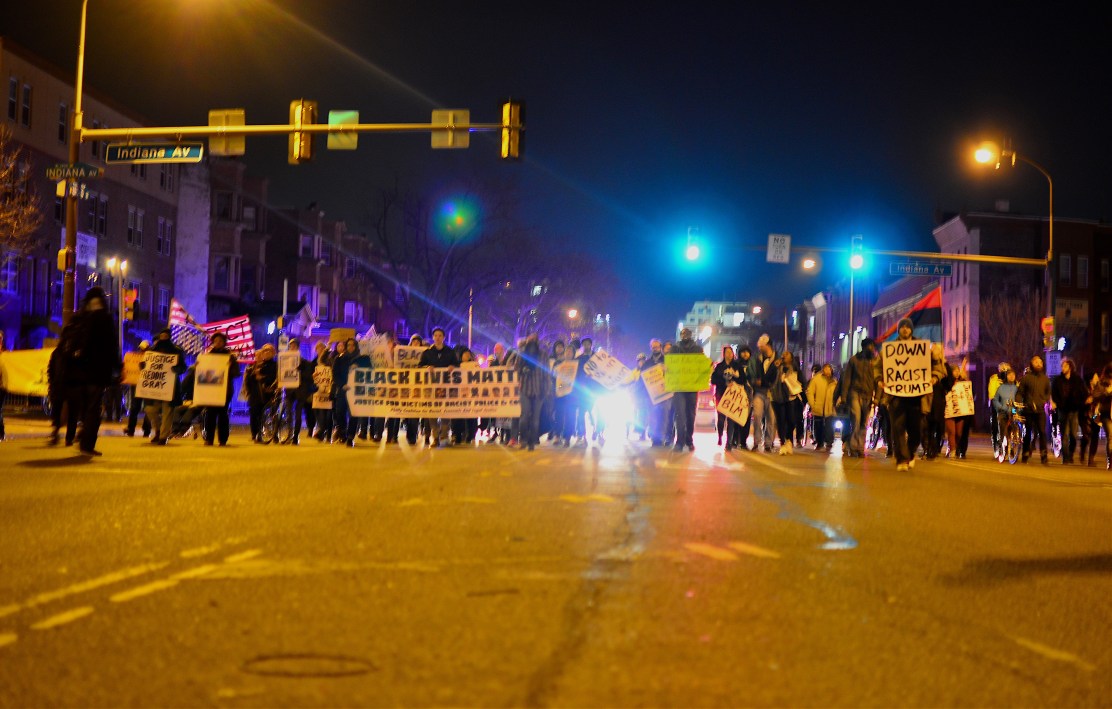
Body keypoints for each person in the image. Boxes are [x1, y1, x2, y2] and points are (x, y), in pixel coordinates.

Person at [60, 287, 121, 456]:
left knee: (84, 406)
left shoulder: (80, 318)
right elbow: (111, 346)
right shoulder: (105, 319)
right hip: (97, 372)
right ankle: (87, 442)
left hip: (78, 372)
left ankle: (81, 432)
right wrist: (117, 367)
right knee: (94, 408)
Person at [880, 320, 922, 472]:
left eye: (907, 327)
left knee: (916, 430)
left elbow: (934, 367)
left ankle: (910, 453)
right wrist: (879, 380)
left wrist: (934, 377)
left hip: (916, 395)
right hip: (895, 395)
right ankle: (901, 459)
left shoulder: (921, 348)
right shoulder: (889, 349)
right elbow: (879, 366)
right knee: (898, 428)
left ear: (911, 329)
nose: (905, 329)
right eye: (902, 327)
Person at [142, 328, 186, 445]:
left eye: (166, 335)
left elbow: (183, 367)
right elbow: (145, 365)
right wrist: (142, 365)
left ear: (169, 337)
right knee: (150, 409)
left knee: (168, 412)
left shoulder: (176, 350)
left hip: (169, 387)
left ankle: (163, 436)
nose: (164, 337)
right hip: (154, 387)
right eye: (162, 335)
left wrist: (176, 369)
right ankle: (157, 430)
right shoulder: (152, 351)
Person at [418, 327, 460, 447]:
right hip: (431, 389)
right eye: (435, 335)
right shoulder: (427, 353)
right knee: (432, 414)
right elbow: (419, 366)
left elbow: (457, 365)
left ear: (444, 338)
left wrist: (453, 366)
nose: (437, 337)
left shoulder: (450, 352)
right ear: (433, 337)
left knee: (446, 413)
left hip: (447, 388)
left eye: (440, 335)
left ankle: (444, 435)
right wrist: (426, 368)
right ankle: (435, 437)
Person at [839, 337, 878, 458]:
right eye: (869, 346)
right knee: (856, 420)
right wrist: (844, 396)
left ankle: (860, 448)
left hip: (868, 395)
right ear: (864, 347)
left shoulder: (875, 362)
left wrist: (877, 397)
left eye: (872, 346)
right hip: (855, 393)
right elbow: (847, 379)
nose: (871, 348)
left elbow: (878, 380)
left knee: (863, 423)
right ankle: (853, 446)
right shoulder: (854, 360)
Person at [201, 332, 239, 446]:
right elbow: (202, 372)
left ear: (224, 343)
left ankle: (223, 439)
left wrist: (228, 368)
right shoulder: (207, 356)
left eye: (220, 341)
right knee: (210, 415)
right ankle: (209, 439)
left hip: (225, 390)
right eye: (216, 341)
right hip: (211, 389)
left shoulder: (230, 357)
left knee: (223, 415)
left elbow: (236, 373)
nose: (218, 343)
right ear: (213, 342)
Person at [1051, 357, 1089, 465]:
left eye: (1065, 366)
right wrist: (1058, 403)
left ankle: (1071, 453)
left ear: (1070, 367)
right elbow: (1054, 393)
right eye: (1062, 366)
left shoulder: (1077, 380)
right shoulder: (1058, 380)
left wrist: (1080, 402)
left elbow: (1083, 393)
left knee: (1073, 435)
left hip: (1074, 410)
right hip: (1063, 410)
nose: (1062, 368)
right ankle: (1066, 457)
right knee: (1065, 434)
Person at [670, 328, 703, 452]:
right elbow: (670, 365)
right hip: (679, 387)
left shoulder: (698, 349)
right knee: (680, 415)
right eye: (683, 333)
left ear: (691, 335)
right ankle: (679, 442)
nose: (685, 335)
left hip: (692, 387)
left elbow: (701, 366)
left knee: (690, 414)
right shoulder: (675, 349)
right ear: (680, 335)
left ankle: (689, 440)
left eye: (687, 333)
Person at [1016, 353, 1051, 464]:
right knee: (1028, 432)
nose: (1038, 364)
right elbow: (1020, 393)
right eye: (1036, 362)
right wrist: (1019, 401)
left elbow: (1047, 393)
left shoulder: (1045, 379)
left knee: (1042, 432)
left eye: (1040, 362)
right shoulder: (1026, 378)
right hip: (1028, 409)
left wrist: (1043, 401)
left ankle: (1044, 454)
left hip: (1040, 410)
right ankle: (1025, 452)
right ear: (1032, 364)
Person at [747, 334, 778, 452]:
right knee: (757, 417)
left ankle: (768, 443)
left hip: (772, 393)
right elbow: (750, 374)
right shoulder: (756, 359)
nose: (759, 348)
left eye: (761, 346)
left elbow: (777, 378)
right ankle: (757, 441)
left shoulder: (777, 360)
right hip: (759, 392)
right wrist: (754, 382)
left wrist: (763, 381)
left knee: (771, 419)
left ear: (767, 345)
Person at [516, 334, 547, 451]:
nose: (532, 341)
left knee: (535, 420)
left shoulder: (543, 355)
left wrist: (547, 388)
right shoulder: (522, 354)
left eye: (535, 339)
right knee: (524, 417)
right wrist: (523, 370)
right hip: (525, 389)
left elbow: (546, 373)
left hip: (539, 390)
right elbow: (516, 369)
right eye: (530, 339)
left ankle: (531, 442)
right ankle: (523, 439)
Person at [282, 338, 315, 445]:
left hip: (300, 392)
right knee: (288, 414)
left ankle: (295, 437)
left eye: (294, 346)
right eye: (291, 346)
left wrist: (299, 370)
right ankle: (289, 435)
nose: (292, 348)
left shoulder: (305, 363)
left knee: (298, 414)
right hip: (289, 391)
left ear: (298, 348)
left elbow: (309, 378)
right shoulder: (285, 361)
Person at [771, 350, 803, 455]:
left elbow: (802, 382)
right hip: (779, 398)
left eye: (787, 354)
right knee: (781, 421)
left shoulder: (795, 370)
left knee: (792, 420)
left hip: (791, 398)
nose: (784, 355)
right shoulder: (777, 367)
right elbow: (770, 378)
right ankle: (783, 442)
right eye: (783, 354)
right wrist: (775, 367)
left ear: (791, 358)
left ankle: (788, 439)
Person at [245, 344, 279, 443]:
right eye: (265, 351)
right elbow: (248, 380)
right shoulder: (255, 365)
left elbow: (275, 377)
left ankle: (274, 433)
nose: (266, 353)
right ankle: (255, 434)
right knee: (255, 413)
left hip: (268, 393)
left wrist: (263, 378)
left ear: (273, 353)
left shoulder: (275, 365)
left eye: (269, 351)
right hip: (256, 394)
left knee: (272, 413)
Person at [806, 363, 839, 451]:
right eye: (826, 369)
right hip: (818, 407)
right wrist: (813, 404)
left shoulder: (834, 381)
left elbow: (837, 394)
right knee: (818, 426)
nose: (828, 371)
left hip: (829, 407)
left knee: (829, 425)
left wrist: (836, 404)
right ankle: (819, 443)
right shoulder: (816, 379)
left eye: (829, 369)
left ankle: (829, 443)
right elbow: (810, 392)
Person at [123, 340, 152, 438]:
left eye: (143, 348)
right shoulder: (149, 357)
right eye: (141, 348)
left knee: (142, 408)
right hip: (138, 384)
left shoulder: (151, 358)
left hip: (145, 384)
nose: (141, 350)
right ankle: (133, 429)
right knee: (138, 408)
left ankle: (143, 430)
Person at [711, 346, 739, 447]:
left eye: (730, 352)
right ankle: (720, 436)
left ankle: (729, 442)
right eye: (727, 352)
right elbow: (713, 380)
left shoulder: (736, 366)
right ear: (724, 354)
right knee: (721, 419)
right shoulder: (719, 366)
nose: (729, 354)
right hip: (721, 395)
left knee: (731, 420)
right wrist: (724, 381)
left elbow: (742, 379)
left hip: (733, 396)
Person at [1088, 363, 1112, 469]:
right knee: (1110, 436)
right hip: (1105, 413)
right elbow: (1095, 396)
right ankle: (1110, 460)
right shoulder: (1102, 384)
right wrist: (1107, 393)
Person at [992, 367, 1019, 459]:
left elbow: (1020, 400)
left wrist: (1018, 409)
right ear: (1006, 376)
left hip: (1013, 411)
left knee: (1014, 428)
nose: (1011, 376)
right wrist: (1000, 407)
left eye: (1013, 375)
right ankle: (1001, 447)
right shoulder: (1001, 388)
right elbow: (995, 400)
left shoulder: (1017, 388)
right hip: (1003, 411)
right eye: (1009, 375)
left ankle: (1012, 447)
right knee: (1003, 431)